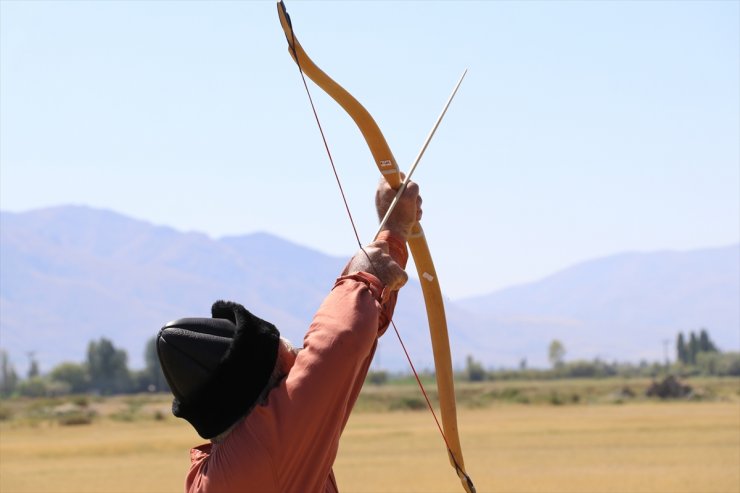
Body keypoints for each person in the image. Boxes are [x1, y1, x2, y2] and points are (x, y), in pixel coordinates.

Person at [157, 177, 422, 493]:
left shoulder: (219, 467)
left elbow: (336, 372)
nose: (300, 359)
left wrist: (390, 238)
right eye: (291, 356)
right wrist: (383, 242)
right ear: (267, 395)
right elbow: (339, 342)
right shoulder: (265, 452)